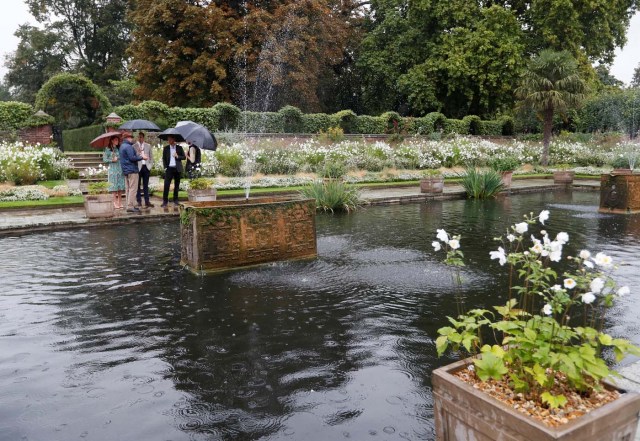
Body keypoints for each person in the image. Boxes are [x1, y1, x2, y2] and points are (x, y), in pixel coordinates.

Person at [119, 132, 147, 213]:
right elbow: (132, 158)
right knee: (133, 189)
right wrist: (142, 157)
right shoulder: (128, 146)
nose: (132, 139)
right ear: (127, 138)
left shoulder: (122, 146)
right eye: (131, 137)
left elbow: (129, 157)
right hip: (132, 170)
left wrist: (137, 153)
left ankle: (130, 204)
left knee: (128, 189)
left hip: (126, 170)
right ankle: (130, 206)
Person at [161, 135, 186, 207]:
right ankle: (165, 201)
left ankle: (176, 200)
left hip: (177, 168)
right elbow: (164, 159)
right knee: (166, 185)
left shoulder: (179, 148)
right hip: (169, 169)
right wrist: (165, 167)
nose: (168, 141)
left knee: (177, 185)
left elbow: (184, 157)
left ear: (173, 139)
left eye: (169, 139)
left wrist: (177, 156)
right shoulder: (166, 148)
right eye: (168, 139)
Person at [103, 134, 125, 209]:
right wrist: (112, 160)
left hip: (120, 169)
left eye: (118, 140)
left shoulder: (119, 148)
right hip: (113, 170)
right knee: (114, 187)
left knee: (120, 187)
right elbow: (105, 159)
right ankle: (115, 202)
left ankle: (120, 202)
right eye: (115, 140)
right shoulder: (108, 149)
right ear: (112, 141)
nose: (117, 141)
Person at [134, 132, 154, 208]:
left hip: (146, 167)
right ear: (137, 138)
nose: (140, 139)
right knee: (137, 185)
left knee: (146, 185)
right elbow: (133, 157)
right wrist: (138, 153)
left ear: (143, 138)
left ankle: (147, 201)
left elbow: (151, 157)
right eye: (139, 137)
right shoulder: (134, 146)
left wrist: (150, 166)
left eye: (141, 137)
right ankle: (139, 201)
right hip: (138, 168)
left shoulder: (148, 146)